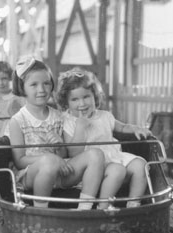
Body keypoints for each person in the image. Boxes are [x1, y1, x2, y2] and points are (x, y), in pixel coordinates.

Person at [8, 57, 105, 209]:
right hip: (31, 175)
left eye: (46, 83)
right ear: (22, 87)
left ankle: (84, 208)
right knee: (49, 162)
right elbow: (19, 160)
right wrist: (51, 158)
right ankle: (40, 209)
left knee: (96, 154)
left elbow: (66, 154)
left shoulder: (60, 116)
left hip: (61, 171)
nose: (42, 89)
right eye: (34, 85)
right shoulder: (18, 120)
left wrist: (59, 146)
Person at [57, 67, 151, 208]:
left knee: (141, 165)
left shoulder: (105, 115)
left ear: (95, 96)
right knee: (117, 171)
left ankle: (133, 204)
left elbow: (122, 127)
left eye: (86, 97)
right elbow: (73, 153)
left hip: (113, 156)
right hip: (91, 166)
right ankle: (103, 206)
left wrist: (136, 128)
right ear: (66, 103)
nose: (81, 104)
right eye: (75, 99)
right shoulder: (69, 122)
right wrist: (80, 127)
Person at [0, 61, 25, 138]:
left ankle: (1, 146)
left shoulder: (17, 96)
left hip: (12, 130)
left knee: (8, 123)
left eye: (4, 79)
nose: (1, 83)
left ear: (10, 77)